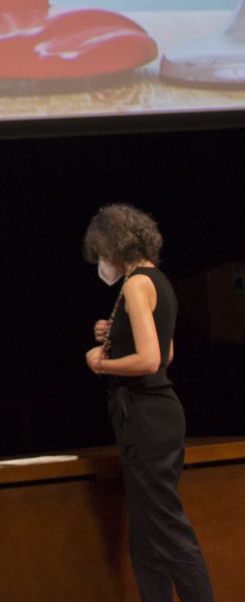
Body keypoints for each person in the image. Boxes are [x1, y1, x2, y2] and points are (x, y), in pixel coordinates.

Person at [82, 204, 214, 601]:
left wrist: (100, 362)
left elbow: (150, 360)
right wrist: (114, 333)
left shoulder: (136, 284)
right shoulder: (158, 281)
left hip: (146, 417)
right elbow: (166, 352)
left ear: (113, 246)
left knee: (169, 533)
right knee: (145, 539)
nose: (101, 262)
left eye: (101, 253)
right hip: (153, 415)